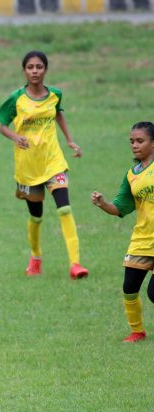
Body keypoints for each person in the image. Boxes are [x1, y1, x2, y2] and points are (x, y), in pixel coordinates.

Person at [0, 50, 89, 279]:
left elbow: (58, 114)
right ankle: (36, 256)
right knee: (36, 216)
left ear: (45, 69)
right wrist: (15, 137)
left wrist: (69, 140)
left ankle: (75, 264)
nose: (35, 71)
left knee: (65, 208)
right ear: (24, 71)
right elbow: (2, 125)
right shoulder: (16, 98)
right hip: (28, 166)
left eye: (39, 67)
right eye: (30, 67)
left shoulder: (55, 94)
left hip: (53, 161)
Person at [91, 121, 154, 343]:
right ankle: (137, 331)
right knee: (129, 287)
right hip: (142, 239)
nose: (134, 145)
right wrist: (103, 203)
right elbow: (120, 207)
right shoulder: (132, 174)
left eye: (140, 141)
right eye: (132, 141)